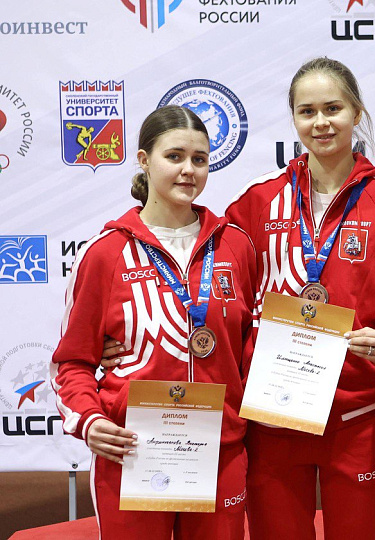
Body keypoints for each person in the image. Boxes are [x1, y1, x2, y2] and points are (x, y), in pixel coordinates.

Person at [225, 57, 375, 539]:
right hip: (275, 413)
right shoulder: (257, 202)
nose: (321, 122)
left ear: (356, 112)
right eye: (307, 111)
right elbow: (222, 293)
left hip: (357, 415)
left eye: (333, 108)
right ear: (293, 118)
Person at [51, 105, 257, 540]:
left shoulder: (235, 245)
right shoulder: (104, 253)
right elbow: (71, 362)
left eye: (199, 159)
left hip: (219, 452)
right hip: (133, 452)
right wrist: (88, 419)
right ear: (144, 160)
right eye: (174, 156)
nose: (188, 170)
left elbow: (251, 348)